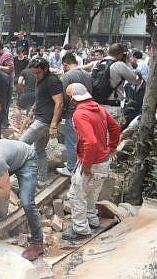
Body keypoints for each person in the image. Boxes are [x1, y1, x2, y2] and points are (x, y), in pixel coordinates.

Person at [62, 83, 120, 241]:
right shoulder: (98, 108)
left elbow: (91, 142)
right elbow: (115, 127)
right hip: (103, 161)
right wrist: (113, 147)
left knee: (76, 195)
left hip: (91, 162)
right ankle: (93, 221)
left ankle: (81, 229)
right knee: (92, 193)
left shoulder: (79, 114)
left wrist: (87, 165)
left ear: (72, 99)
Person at [20, 58, 63, 185]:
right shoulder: (41, 80)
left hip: (44, 121)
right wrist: (33, 109)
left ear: (45, 69)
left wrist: (54, 125)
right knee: (39, 149)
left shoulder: (52, 81)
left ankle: (19, 175)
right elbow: (41, 97)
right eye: (33, 73)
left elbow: (59, 103)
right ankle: (42, 179)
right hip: (41, 118)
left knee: (21, 145)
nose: (35, 75)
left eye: (37, 73)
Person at [58, 53, 92, 176]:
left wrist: (61, 114)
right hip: (87, 112)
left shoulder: (68, 75)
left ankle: (71, 167)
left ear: (65, 64)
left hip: (73, 113)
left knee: (71, 141)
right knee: (81, 141)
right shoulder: (88, 74)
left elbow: (64, 97)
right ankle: (77, 164)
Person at [95, 43, 140, 123]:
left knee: (100, 133)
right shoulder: (119, 65)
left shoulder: (99, 63)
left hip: (98, 105)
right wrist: (127, 62)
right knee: (112, 134)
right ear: (120, 54)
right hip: (112, 108)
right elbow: (135, 80)